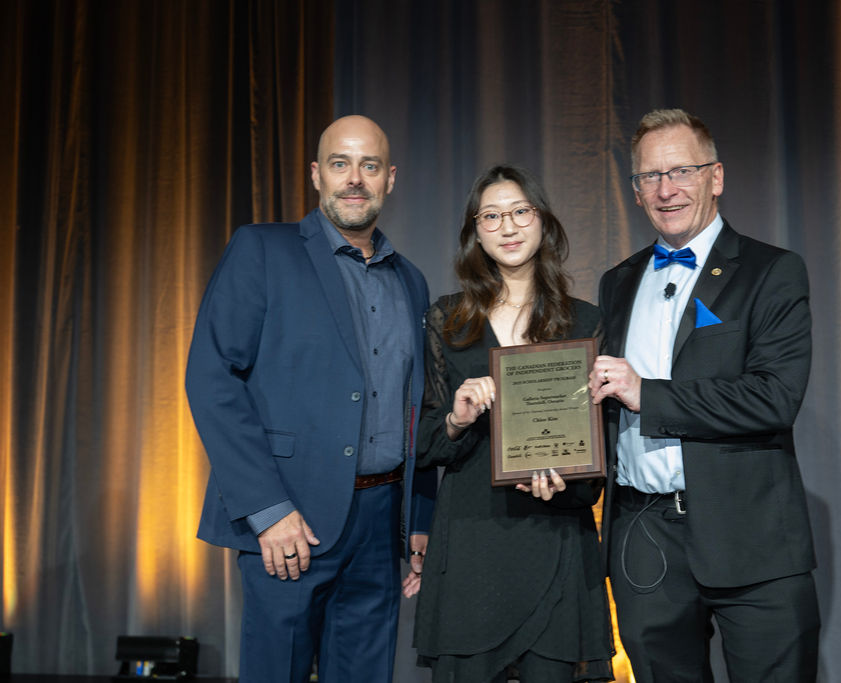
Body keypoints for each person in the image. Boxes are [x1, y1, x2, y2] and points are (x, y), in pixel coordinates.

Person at [185, 114, 435, 683]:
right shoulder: (262, 249)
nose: (355, 179)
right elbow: (212, 378)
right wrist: (268, 511)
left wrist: (419, 517)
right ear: (317, 174)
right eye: (340, 164)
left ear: (390, 178)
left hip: (381, 525)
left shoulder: (412, 281)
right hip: (290, 520)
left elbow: (418, 405)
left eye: (369, 165)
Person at [587, 109, 820, 682]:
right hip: (645, 538)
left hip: (753, 539)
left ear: (715, 177)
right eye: (650, 176)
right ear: (635, 190)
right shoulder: (617, 282)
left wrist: (648, 394)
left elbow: (774, 397)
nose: (666, 190)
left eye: (681, 171)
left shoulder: (772, 271)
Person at [413, 165, 614, 683]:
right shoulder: (447, 320)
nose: (508, 227)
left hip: (556, 538)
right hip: (471, 545)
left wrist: (567, 485)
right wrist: (457, 420)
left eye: (520, 211)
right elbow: (425, 444)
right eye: (492, 216)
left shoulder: (586, 323)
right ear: (475, 233)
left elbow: (600, 453)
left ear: (542, 221)